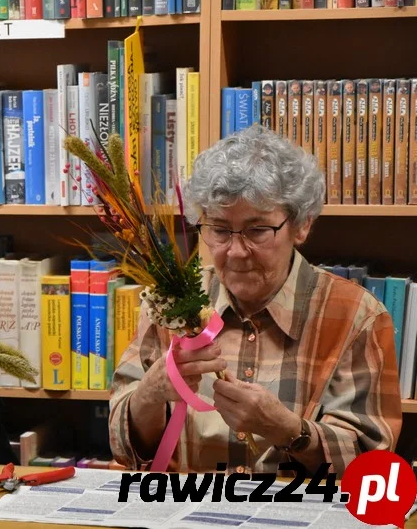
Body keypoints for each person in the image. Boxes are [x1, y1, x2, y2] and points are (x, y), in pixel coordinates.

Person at [109, 124, 402, 476]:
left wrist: (289, 431)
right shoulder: (169, 303)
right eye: (218, 229)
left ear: (302, 225)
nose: (235, 252)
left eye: (257, 230)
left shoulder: (357, 316)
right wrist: (150, 394)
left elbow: (371, 465)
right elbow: (122, 446)